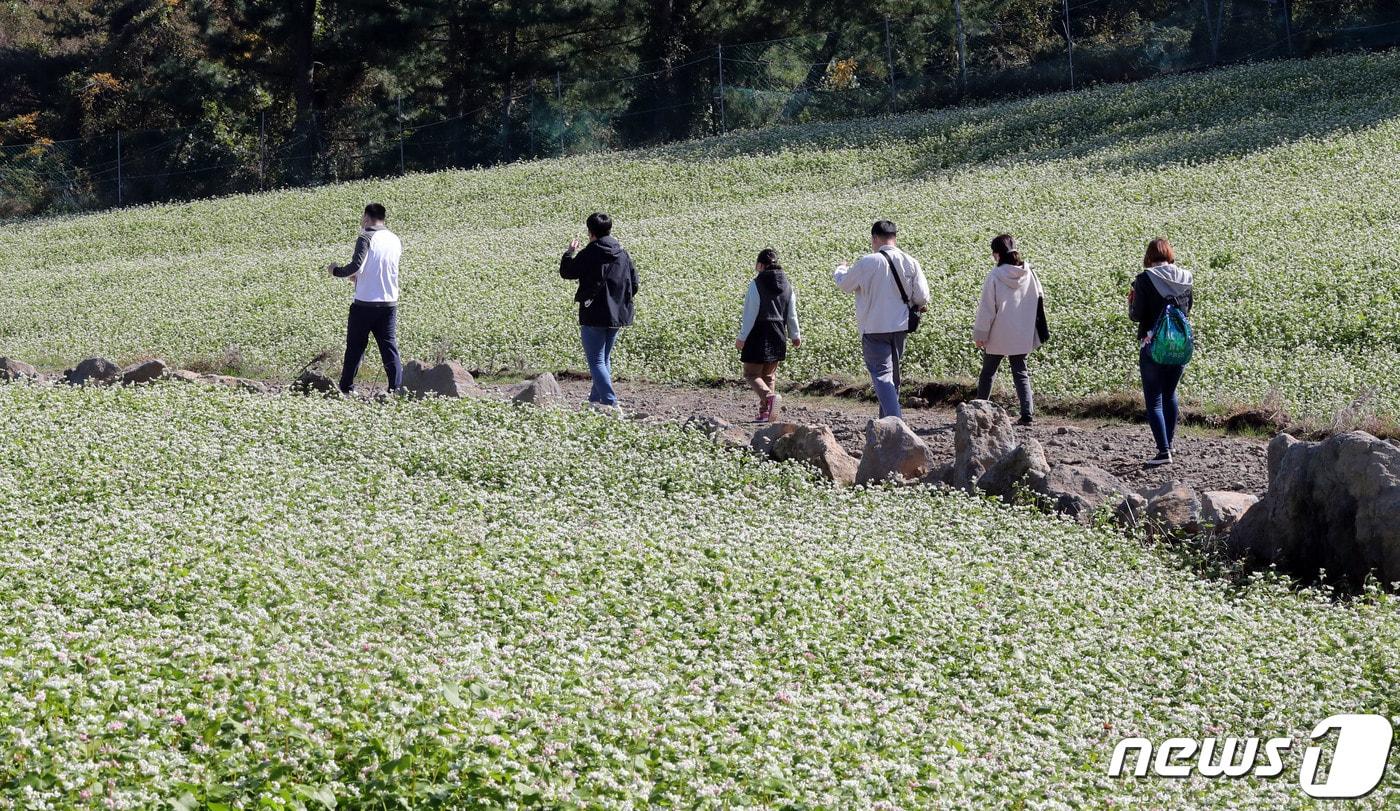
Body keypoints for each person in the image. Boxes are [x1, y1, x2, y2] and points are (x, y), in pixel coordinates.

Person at [833, 220, 931, 419]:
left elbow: (845, 285)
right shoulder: (910, 261)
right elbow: (922, 296)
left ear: (875, 238)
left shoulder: (868, 262)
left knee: (882, 376)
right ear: (894, 237)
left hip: (874, 328)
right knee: (893, 378)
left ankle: (895, 422)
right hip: (900, 327)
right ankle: (886, 423)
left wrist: (840, 269)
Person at [559, 212, 639, 410]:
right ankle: (595, 401)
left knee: (596, 361)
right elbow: (634, 283)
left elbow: (567, 272)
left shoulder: (590, 253)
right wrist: (618, 302)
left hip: (593, 313)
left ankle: (611, 403)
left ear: (590, 232)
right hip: (617, 315)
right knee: (604, 360)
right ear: (609, 230)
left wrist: (569, 253)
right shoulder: (622, 253)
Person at [1129, 237, 1194, 466]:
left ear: (1149, 257)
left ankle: (1163, 451)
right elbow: (1187, 309)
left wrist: (1131, 303)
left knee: (1154, 399)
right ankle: (1170, 443)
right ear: (1169, 254)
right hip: (1179, 346)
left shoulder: (1144, 279)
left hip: (1153, 345)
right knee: (1169, 393)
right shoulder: (1186, 277)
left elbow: (1137, 315)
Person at [327, 202, 402, 395]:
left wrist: (335, 271)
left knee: (355, 347)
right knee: (388, 346)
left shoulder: (366, 237)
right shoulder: (394, 239)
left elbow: (356, 265)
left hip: (365, 303)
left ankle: (346, 387)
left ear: (367, 218)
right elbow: (381, 267)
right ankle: (396, 388)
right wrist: (360, 277)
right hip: (389, 302)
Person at [972, 233, 1043, 426]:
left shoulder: (995, 275)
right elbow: (1039, 298)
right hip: (1022, 331)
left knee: (988, 373)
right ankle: (1027, 414)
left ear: (997, 254)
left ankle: (979, 411)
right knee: (1020, 372)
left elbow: (987, 309)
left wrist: (980, 334)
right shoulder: (1029, 273)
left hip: (998, 333)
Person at [735, 248, 802, 422]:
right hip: (778, 332)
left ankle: (769, 398)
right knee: (768, 375)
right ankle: (766, 413)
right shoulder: (787, 285)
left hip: (759, 331)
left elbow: (750, 313)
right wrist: (795, 335)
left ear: (761, 265)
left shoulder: (756, 284)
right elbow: (792, 313)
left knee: (751, 373)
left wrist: (742, 337)